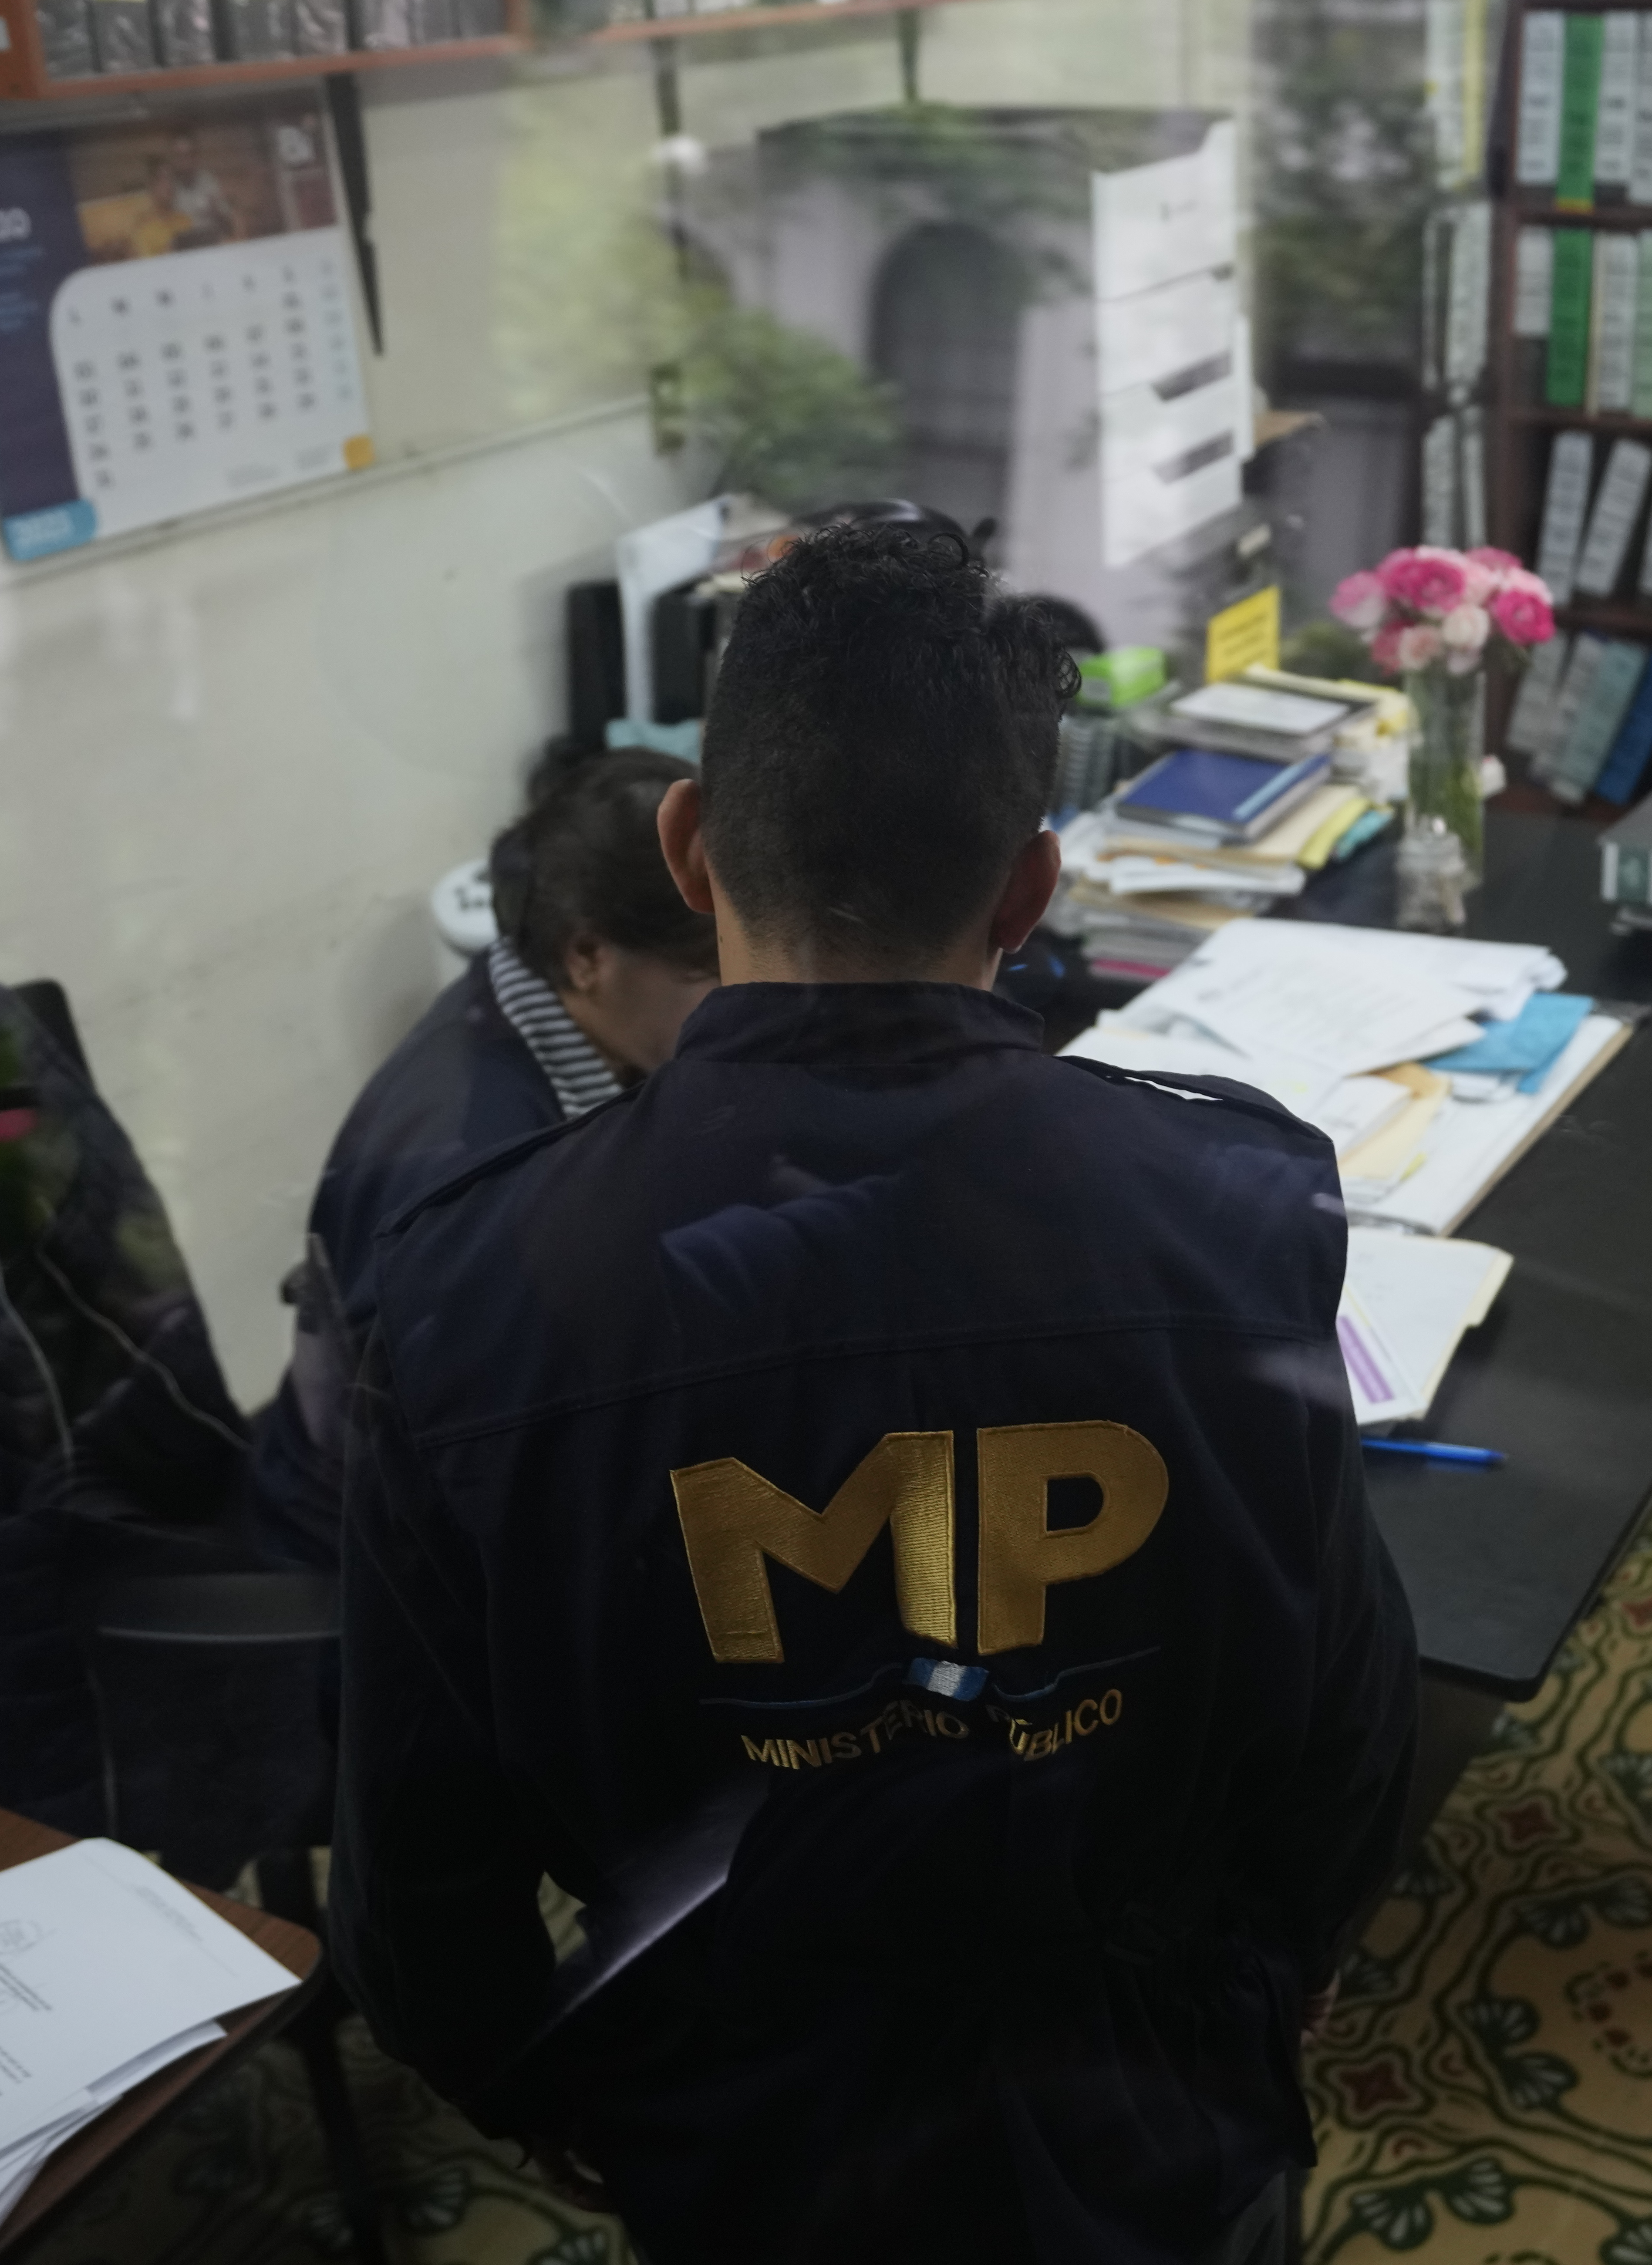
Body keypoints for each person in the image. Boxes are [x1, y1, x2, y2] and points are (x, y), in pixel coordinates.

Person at [333, 519, 1418, 2263]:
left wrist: (556, 2094)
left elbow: (417, 1886)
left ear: (689, 848)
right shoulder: (1237, 1213)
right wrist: (1262, 1984)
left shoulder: (469, 1301)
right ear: (1029, 889)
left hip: (743, 2142)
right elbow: (1347, 1721)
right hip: (1151, 2127)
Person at [251, 745, 719, 1564]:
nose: (736, 1002)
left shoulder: (543, 1010)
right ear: (587, 956)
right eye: (706, 974)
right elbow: (464, 1464)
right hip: (376, 1555)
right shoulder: (473, 1156)